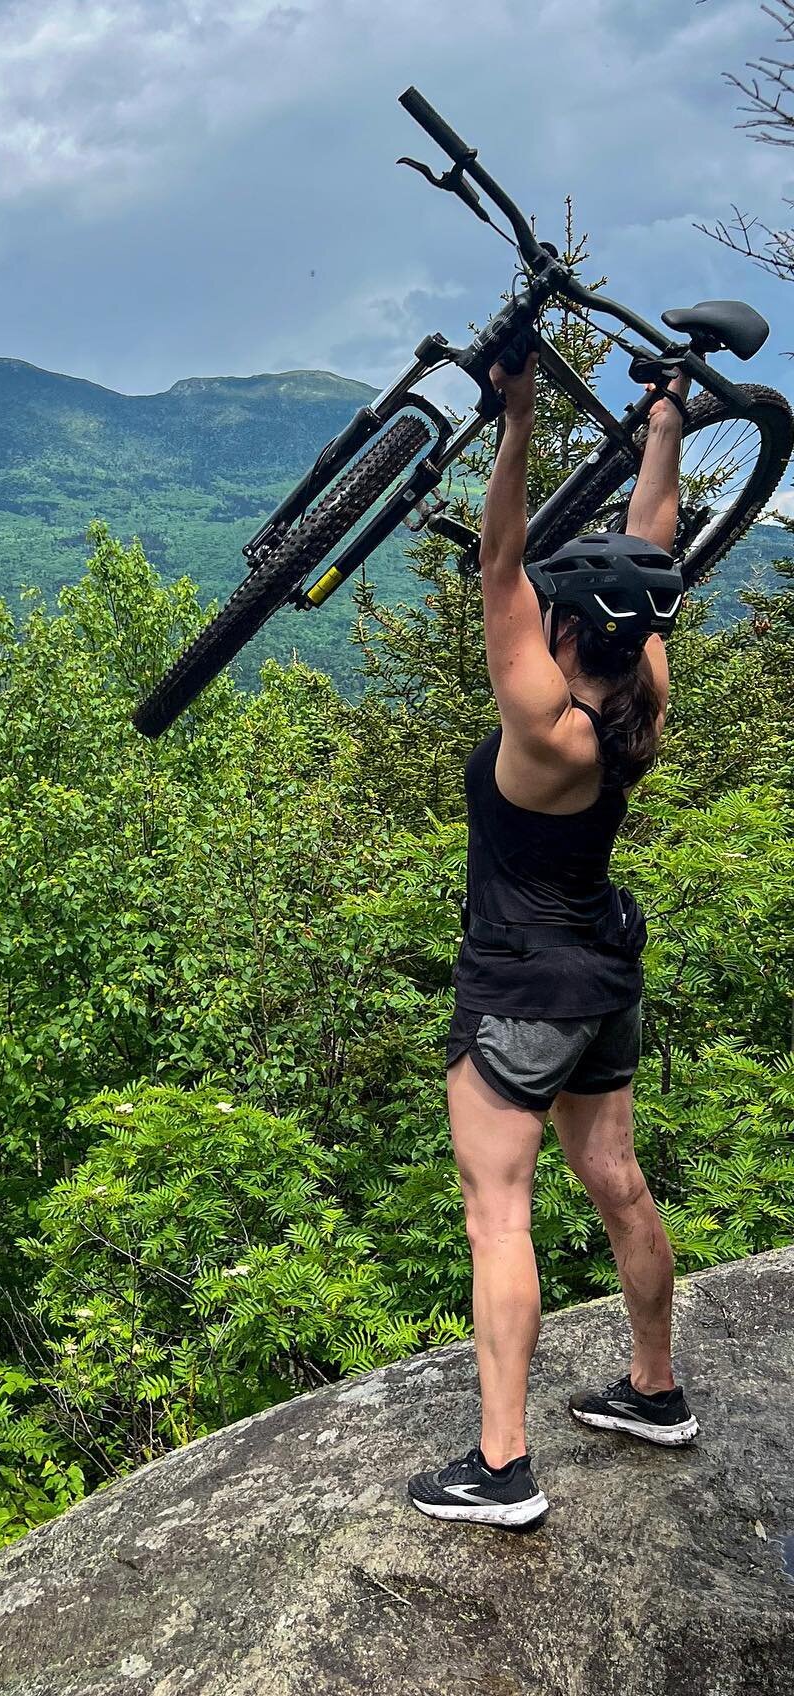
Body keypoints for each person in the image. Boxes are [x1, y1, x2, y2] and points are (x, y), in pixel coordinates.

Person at [407, 348, 697, 1529]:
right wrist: (664, 427)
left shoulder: (545, 725)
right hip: (603, 969)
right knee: (616, 1180)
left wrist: (516, 421)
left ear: (569, 625)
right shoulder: (642, 697)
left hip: (524, 979)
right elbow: (654, 544)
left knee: (501, 1213)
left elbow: (496, 565)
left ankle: (504, 1464)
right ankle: (654, 1391)